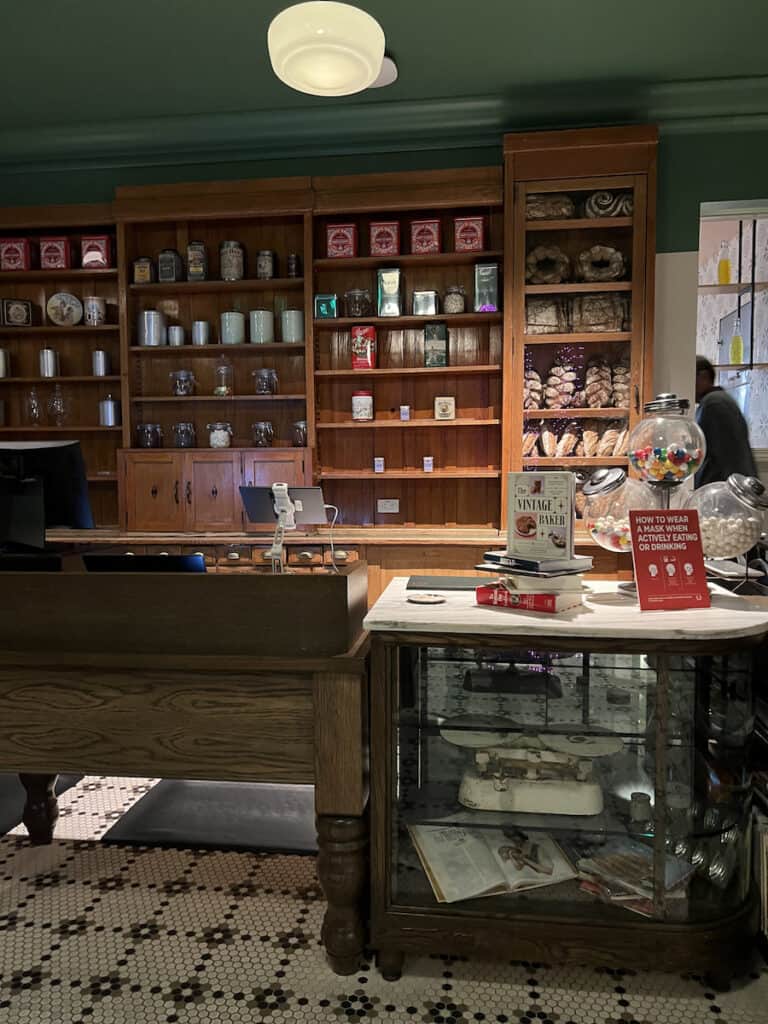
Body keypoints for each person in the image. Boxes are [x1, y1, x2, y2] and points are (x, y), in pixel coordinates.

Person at [694, 355, 757, 487]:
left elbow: (722, 458)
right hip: (736, 486)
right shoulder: (720, 400)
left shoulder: (713, 404)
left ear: (704, 377)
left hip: (726, 490)